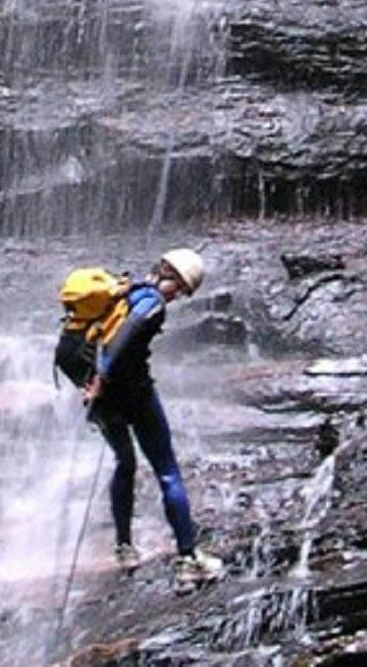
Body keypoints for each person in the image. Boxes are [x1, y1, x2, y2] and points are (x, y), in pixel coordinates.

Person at [82, 247, 226, 587]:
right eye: (180, 288)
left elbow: (98, 339)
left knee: (124, 462)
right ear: (169, 275)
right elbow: (125, 336)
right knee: (167, 472)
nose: (178, 296)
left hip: (104, 401)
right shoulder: (152, 304)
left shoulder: (126, 291)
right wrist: (102, 378)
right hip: (133, 394)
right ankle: (188, 558)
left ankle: (124, 547)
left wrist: (92, 384)